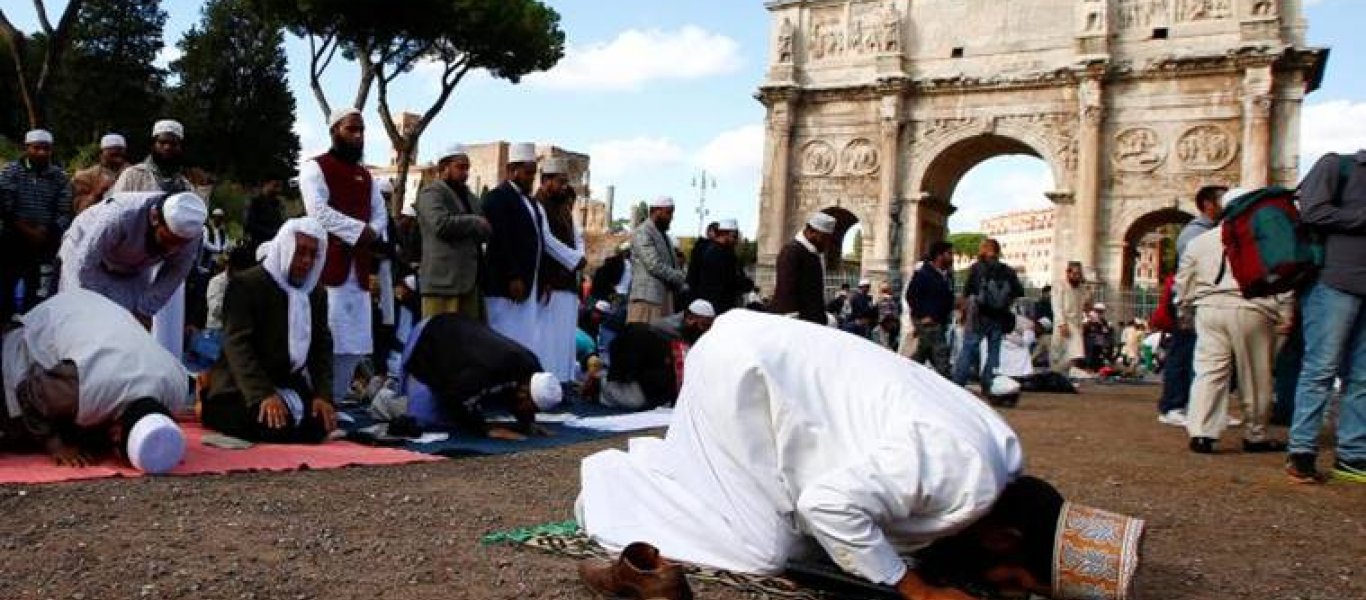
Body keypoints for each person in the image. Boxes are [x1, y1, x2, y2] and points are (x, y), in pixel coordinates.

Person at [577, 311, 1144, 600]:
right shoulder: (959, 476)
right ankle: (617, 484)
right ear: (1004, 537)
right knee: (762, 547)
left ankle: (690, 476)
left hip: (769, 362)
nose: (1006, 590)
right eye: (1017, 581)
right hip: (745, 375)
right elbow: (828, 505)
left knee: (815, 540)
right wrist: (914, 591)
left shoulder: (998, 461)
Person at [1, 289, 188, 473]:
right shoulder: (83, 387)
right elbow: (28, 391)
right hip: (43, 324)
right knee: (20, 433)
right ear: (116, 433)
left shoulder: (177, 389)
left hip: (90, 310)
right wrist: (56, 445)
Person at [1176, 189, 1293, 455]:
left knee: (1209, 372)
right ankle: (1255, 434)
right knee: (1255, 375)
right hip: (1251, 308)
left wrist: (1186, 308)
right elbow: (1281, 278)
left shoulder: (1200, 241)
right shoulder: (1261, 240)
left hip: (1208, 309)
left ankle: (1202, 433)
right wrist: (1285, 311)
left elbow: (1184, 281)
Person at [202, 218, 337, 443]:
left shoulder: (316, 293)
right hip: (240, 385)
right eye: (300, 252)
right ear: (285, 247)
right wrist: (262, 394)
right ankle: (205, 403)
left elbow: (321, 347)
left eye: (313, 255)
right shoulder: (247, 284)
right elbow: (237, 345)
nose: (306, 261)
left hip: (287, 383)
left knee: (319, 425)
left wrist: (323, 395)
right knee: (268, 426)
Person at [299, 108, 388, 404]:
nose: (358, 136)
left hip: (359, 271)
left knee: (354, 342)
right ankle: (316, 399)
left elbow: (380, 215)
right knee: (326, 337)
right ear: (335, 131)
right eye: (352, 129)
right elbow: (317, 211)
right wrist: (358, 231)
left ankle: (335, 400)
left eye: (361, 130)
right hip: (327, 266)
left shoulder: (367, 177)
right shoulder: (316, 167)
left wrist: (372, 232)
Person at [1288, 151, 1366, 484]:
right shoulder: (1338, 164)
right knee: (1321, 368)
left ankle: (1352, 455)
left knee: (1363, 378)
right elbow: (1312, 210)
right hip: (1332, 282)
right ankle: (1302, 450)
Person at [482, 144, 583, 367]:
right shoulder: (497, 198)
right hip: (504, 287)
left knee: (522, 340)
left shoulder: (530, 203)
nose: (531, 178)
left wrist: (546, 277)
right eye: (527, 173)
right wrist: (513, 276)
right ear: (512, 171)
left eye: (533, 173)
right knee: (501, 338)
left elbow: (542, 242)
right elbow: (500, 241)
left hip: (529, 285)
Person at [107, 120, 196, 359]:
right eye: (163, 142)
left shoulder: (185, 186)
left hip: (168, 266)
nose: (168, 148)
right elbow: (114, 217)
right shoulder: (133, 175)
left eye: (173, 143)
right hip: (133, 262)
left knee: (165, 328)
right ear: (154, 144)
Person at [57, 191, 206, 329]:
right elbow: (86, 263)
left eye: (180, 244)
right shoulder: (121, 215)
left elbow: (175, 272)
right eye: (167, 240)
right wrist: (94, 306)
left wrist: (145, 311)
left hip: (132, 268)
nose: (172, 250)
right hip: (85, 253)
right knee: (81, 320)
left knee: (128, 327)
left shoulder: (192, 236)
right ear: (154, 218)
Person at [402, 313, 561, 441]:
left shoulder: (534, 370)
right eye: (531, 407)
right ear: (525, 391)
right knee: (423, 422)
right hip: (428, 338)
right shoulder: (486, 369)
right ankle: (385, 399)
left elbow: (517, 394)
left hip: (457, 337)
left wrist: (528, 422)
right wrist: (485, 429)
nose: (532, 411)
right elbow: (454, 397)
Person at [1159, 187, 1226, 426]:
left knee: (1209, 358)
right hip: (1191, 302)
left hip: (1207, 301)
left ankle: (1205, 409)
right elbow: (1188, 273)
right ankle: (1172, 406)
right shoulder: (1194, 234)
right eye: (1222, 199)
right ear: (1208, 204)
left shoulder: (1211, 231)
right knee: (1183, 354)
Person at [1, 129, 72, 323]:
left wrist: (46, 230)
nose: (41, 152)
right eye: (37, 148)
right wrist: (25, 229)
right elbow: (5, 206)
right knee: (8, 280)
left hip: (46, 239)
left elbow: (64, 210)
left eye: (46, 149)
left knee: (40, 284)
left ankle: (34, 320)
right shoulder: (11, 172)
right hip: (14, 235)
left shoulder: (59, 176)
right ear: (26, 148)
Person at [416, 144, 490, 320]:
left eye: (467, 168)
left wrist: (483, 228)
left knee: (468, 342)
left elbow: (483, 227)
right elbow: (440, 224)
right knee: (441, 341)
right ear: (444, 168)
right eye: (460, 167)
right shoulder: (431, 193)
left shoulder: (470, 196)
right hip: (443, 285)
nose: (465, 173)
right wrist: (475, 222)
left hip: (469, 284)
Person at [537, 158, 586, 383]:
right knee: (549, 339)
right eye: (560, 181)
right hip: (550, 281)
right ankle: (547, 383)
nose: (564, 186)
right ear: (546, 181)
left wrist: (579, 256)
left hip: (568, 281)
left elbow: (577, 236)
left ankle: (563, 382)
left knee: (565, 338)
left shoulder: (563, 205)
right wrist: (573, 259)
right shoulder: (538, 204)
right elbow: (545, 242)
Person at [952, 239, 1024, 389]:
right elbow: (1018, 291)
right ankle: (988, 382)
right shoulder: (1008, 270)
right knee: (994, 351)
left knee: (969, 348)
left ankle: (959, 382)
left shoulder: (977, 268)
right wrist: (1005, 302)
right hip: (998, 315)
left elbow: (967, 292)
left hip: (978, 314)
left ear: (984, 249)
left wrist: (963, 313)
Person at [628, 196, 688, 323]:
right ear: (657, 211)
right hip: (647, 298)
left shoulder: (663, 235)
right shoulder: (643, 232)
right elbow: (653, 264)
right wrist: (679, 277)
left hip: (663, 298)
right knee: (642, 337)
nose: (671, 217)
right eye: (669, 213)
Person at [772, 212, 836, 325]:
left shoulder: (813, 254)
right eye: (824, 238)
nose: (827, 243)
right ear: (811, 232)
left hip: (811, 321)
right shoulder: (791, 252)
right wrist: (793, 322)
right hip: (797, 323)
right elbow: (786, 289)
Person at [906, 241, 955, 376]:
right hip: (930, 323)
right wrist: (923, 316)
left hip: (939, 321)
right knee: (941, 358)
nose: (952, 257)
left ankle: (907, 375)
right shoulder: (923, 274)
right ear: (939, 255)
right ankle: (948, 389)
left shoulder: (946, 276)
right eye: (949, 254)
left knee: (922, 354)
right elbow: (911, 296)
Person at [692, 219, 752, 314]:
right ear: (725, 234)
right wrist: (747, 284)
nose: (736, 240)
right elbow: (730, 280)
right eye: (734, 236)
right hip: (719, 305)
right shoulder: (720, 253)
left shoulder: (716, 250)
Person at [71, 133, 128, 215]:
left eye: (119, 152)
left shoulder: (135, 173)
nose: (117, 158)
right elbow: (80, 210)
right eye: (112, 154)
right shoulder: (84, 177)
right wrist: (98, 191)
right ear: (101, 154)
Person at [1049, 262, 1088, 375]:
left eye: (1079, 274)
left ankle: (1071, 372)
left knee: (1076, 350)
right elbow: (1057, 305)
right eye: (1074, 274)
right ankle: (1057, 373)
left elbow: (1085, 304)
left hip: (1076, 323)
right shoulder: (1059, 285)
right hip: (1064, 322)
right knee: (1059, 351)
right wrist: (1062, 323)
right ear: (1068, 273)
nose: (1077, 276)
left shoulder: (1081, 288)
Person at [244, 178, 287, 252]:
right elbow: (250, 226)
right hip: (259, 247)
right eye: (275, 186)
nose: (278, 190)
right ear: (265, 185)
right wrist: (271, 232)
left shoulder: (277, 205)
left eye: (279, 187)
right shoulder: (255, 203)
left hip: (275, 247)